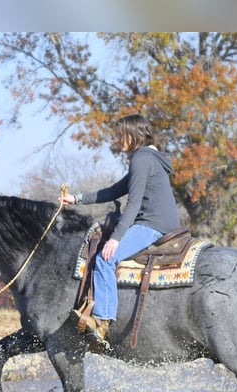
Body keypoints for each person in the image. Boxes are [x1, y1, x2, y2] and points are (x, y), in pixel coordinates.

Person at [59, 114, 180, 344]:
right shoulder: (150, 158)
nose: (117, 139)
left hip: (151, 224)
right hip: (162, 222)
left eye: (121, 134)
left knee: (105, 258)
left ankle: (102, 320)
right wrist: (76, 199)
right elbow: (113, 191)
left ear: (134, 134)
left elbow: (133, 204)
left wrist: (115, 238)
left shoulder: (141, 159)